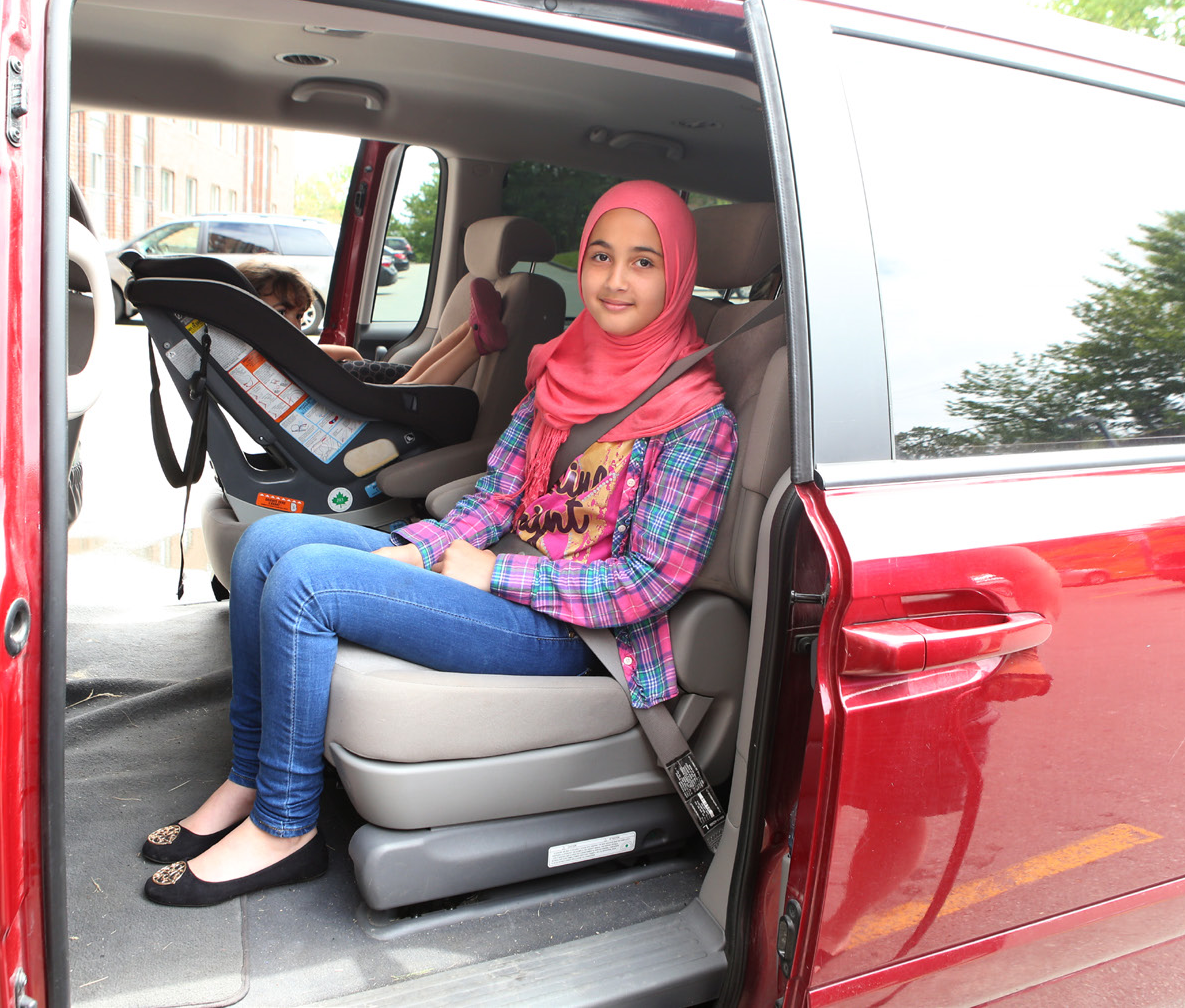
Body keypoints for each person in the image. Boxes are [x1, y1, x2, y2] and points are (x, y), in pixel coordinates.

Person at [140, 180, 739, 907]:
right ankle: (249, 776)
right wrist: (425, 552)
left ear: (676, 275)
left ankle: (287, 826)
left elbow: (647, 581)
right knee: (268, 543)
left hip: (579, 632)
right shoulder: (559, 370)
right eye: (603, 256)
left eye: (644, 262)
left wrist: (493, 575)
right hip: (492, 579)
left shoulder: (698, 420)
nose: (616, 279)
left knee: (306, 583)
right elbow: (494, 497)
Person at [240, 257, 509, 385]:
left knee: (412, 375)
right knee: (409, 389)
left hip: (346, 392)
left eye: (299, 316)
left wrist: (355, 361)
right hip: (348, 414)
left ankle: (469, 327)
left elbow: (333, 353)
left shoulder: (278, 349)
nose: (295, 325)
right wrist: (355, 361)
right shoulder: (256, 357)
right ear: (249, 312)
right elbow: (340, 354)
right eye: (280, 313)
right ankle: (476, 341)